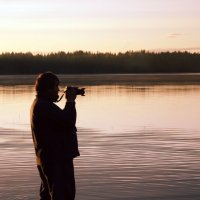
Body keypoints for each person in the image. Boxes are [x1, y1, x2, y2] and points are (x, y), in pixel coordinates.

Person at [30, 72, 80, 200]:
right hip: (57, 161)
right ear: (47, 89)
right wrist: (70, 101)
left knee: (47, 196)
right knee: (63, 195)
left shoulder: (41, 104)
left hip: (47, 160)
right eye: (56, 87)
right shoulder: (44, 106)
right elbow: (68, 121)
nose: (58, 90)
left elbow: (62, 121)